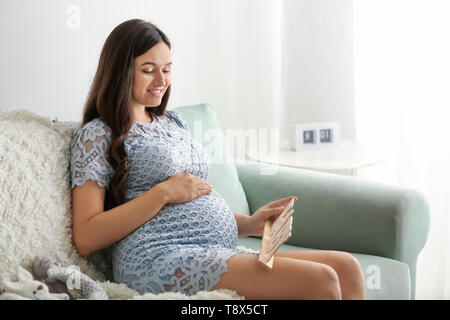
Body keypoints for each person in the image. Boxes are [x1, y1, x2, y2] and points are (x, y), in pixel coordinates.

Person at [70, 19, 366, 300]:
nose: (162, 80)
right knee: (322, 279)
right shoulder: (98, 134)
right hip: (157, 256)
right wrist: (162, 193)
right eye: (149, 70)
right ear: (121, 72)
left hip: (214, 248)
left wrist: (249, 224)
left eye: (168, 69)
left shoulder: (173, 122)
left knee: (347, 268)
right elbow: (86, 235)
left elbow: (192, 200)